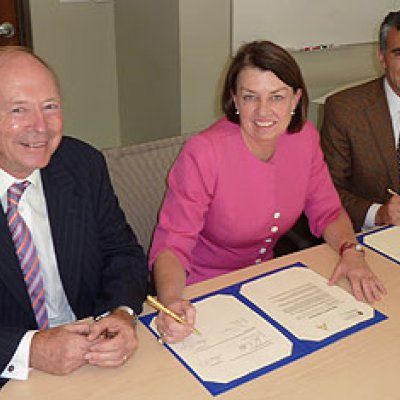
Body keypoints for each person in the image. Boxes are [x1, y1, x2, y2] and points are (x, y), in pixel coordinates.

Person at [148, 40, 387, 344]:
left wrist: (351, 252)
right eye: (250, 97)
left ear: (295, 99)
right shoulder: (204, 153)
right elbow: (172, 244)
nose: (264, 111)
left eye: (277, 97)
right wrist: (171, 302)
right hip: (200, 292)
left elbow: (328, 211)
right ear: (234, 99)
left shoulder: (303, 138)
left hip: (269, 284)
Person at [0, 47, 148, 388]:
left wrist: (120, 315)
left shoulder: (82, 164)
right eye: (19, 109)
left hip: (93, 359)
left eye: (50, 106)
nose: (41, 126)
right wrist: (30, 348)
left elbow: (122, 254)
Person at [321, 10, 400, 233]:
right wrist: (379, 213)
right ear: (382, 57)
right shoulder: (345, 110)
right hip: (372, 240)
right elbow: (327, 191)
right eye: (399, 54)